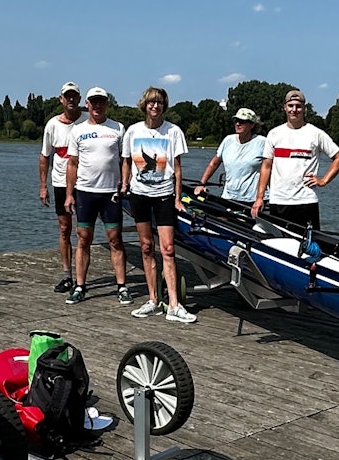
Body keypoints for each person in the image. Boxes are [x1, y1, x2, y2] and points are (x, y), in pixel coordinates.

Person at [123, 86, 195, 323]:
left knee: (168, 249)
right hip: (139, 194)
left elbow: (177, 168)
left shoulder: (173, 132)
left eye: (160, 103)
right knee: (145, 247)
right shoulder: (133, 131)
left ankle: (174, 305)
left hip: (164, 195)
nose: (155, 107)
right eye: (152, 103)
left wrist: (177, 198)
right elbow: (126, 162)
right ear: (145, 105)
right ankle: (153, 299)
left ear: (164, 106)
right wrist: (124, 185)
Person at [63, 87, 131, 305]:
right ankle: (80, 286)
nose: (98, 105)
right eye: (94, 102)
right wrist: (68, 194)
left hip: (110, 193)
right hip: (85, 192)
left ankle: (121, 286)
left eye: (102, 101)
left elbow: (125, 160)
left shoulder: (118, 128)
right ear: (87, 104)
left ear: (107, 104)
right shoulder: (77, 130)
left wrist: (125, 183)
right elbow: (72, 163)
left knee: (115, 239)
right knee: (83, 239)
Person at [253, 89, 339, 230]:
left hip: (306, 201)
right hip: (278, 201)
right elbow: (266, 166)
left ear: (304, 108)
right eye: (290, 106)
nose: (294, 110)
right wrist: (259, 198)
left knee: (309, 247)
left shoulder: (316, 134)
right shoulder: (274, 134)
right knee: (279, 245)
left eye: (298, 106)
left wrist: (324, 180)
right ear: (285, 107)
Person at [39, 82, 83, 292]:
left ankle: (82, 279)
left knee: (83, 231)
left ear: (80, 99)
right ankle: (67, 276)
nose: (71, 99)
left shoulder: (87, 122)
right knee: (64, 229)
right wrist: (43, 186)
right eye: (68, 96)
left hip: (85, 183)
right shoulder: (52, 125)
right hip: (59, 183)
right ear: (62, 99)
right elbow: (45, 156)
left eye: (75, 96)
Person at [195, 107, 265, 207]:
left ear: (252, 125)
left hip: (252, 200)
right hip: (228, 197)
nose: (238, 124)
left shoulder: (262, 142)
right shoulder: (228, 140)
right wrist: (201, 184)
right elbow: (214, 163)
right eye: (236, 121)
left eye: (242, 121)